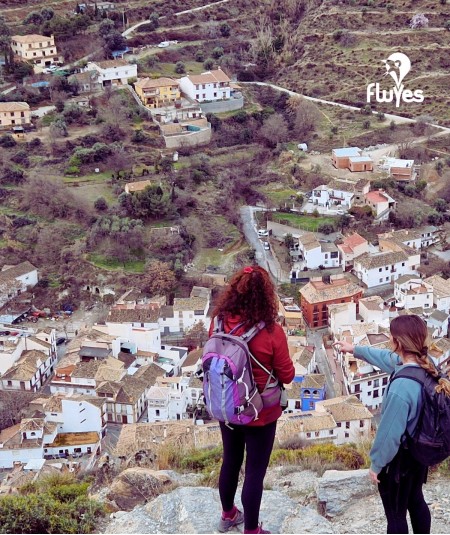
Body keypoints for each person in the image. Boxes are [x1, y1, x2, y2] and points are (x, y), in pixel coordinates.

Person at [333, 314, 450, 534]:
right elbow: (386, 358)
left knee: (396, 516)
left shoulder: (401, 388)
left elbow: (388, 435)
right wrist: (354, 350)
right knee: (416, 500)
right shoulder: (428, 364)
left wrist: (376, 465)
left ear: (397, 342)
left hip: (399, 463)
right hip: (419, 453)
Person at [210, 266, 295, 534]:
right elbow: (288, 375)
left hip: (227, 405)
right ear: (265, 296)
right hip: (261, 413)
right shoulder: (271, 332)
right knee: (254, 471)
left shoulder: (218, 322)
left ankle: (227, 514)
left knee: (230, 461)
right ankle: (251, 530)